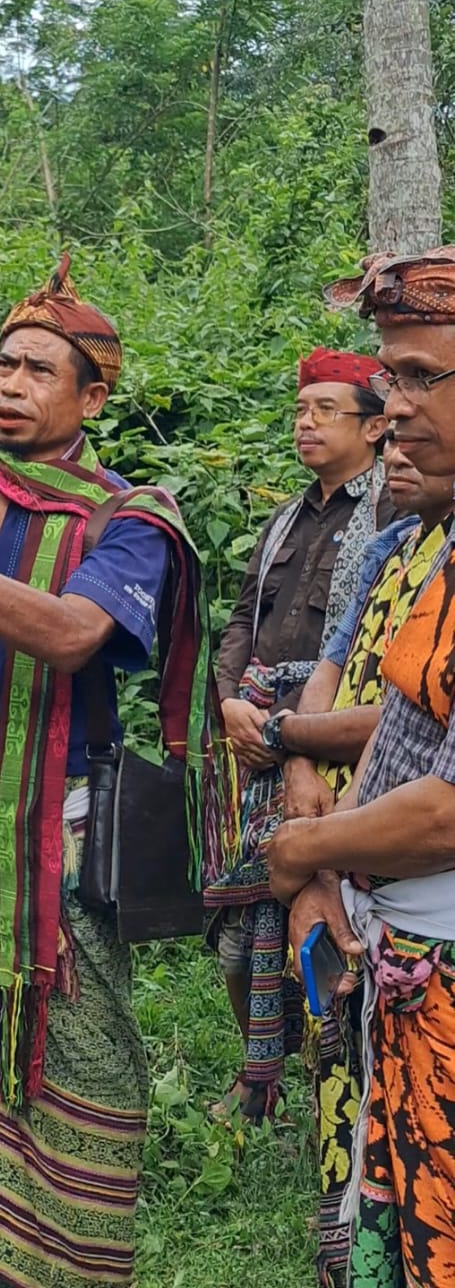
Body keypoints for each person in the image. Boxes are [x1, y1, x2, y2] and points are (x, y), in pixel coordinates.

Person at [0, 256, 225, 1288]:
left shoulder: (128, 519)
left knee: (77, 1059)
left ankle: (66, 1264)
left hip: (55, 838)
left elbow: (69, 635)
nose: (8, 384)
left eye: (36, 369)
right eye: (1, 364)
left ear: (91, 394)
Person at [267, 245, 455, 1288]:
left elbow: (446, 810)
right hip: (410, 969)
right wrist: (323, 864)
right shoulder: (423, 548)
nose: (397, 407)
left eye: (422, 376)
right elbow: (393, 740)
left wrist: (301, 847)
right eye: (389, 379)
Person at [206, 347, 391, 1121]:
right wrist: (228, 708)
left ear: (377, 426)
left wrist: (299, 743)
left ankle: (329, 1089)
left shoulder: (390, 514)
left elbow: (358, 657)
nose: (305, 424)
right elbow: (240, 623)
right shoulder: (287, 515)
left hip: (334, 751)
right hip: (253, 739)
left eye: (325, 410)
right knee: (235, 926)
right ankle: (259, 1074)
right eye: (299, 410)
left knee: (322, 917)